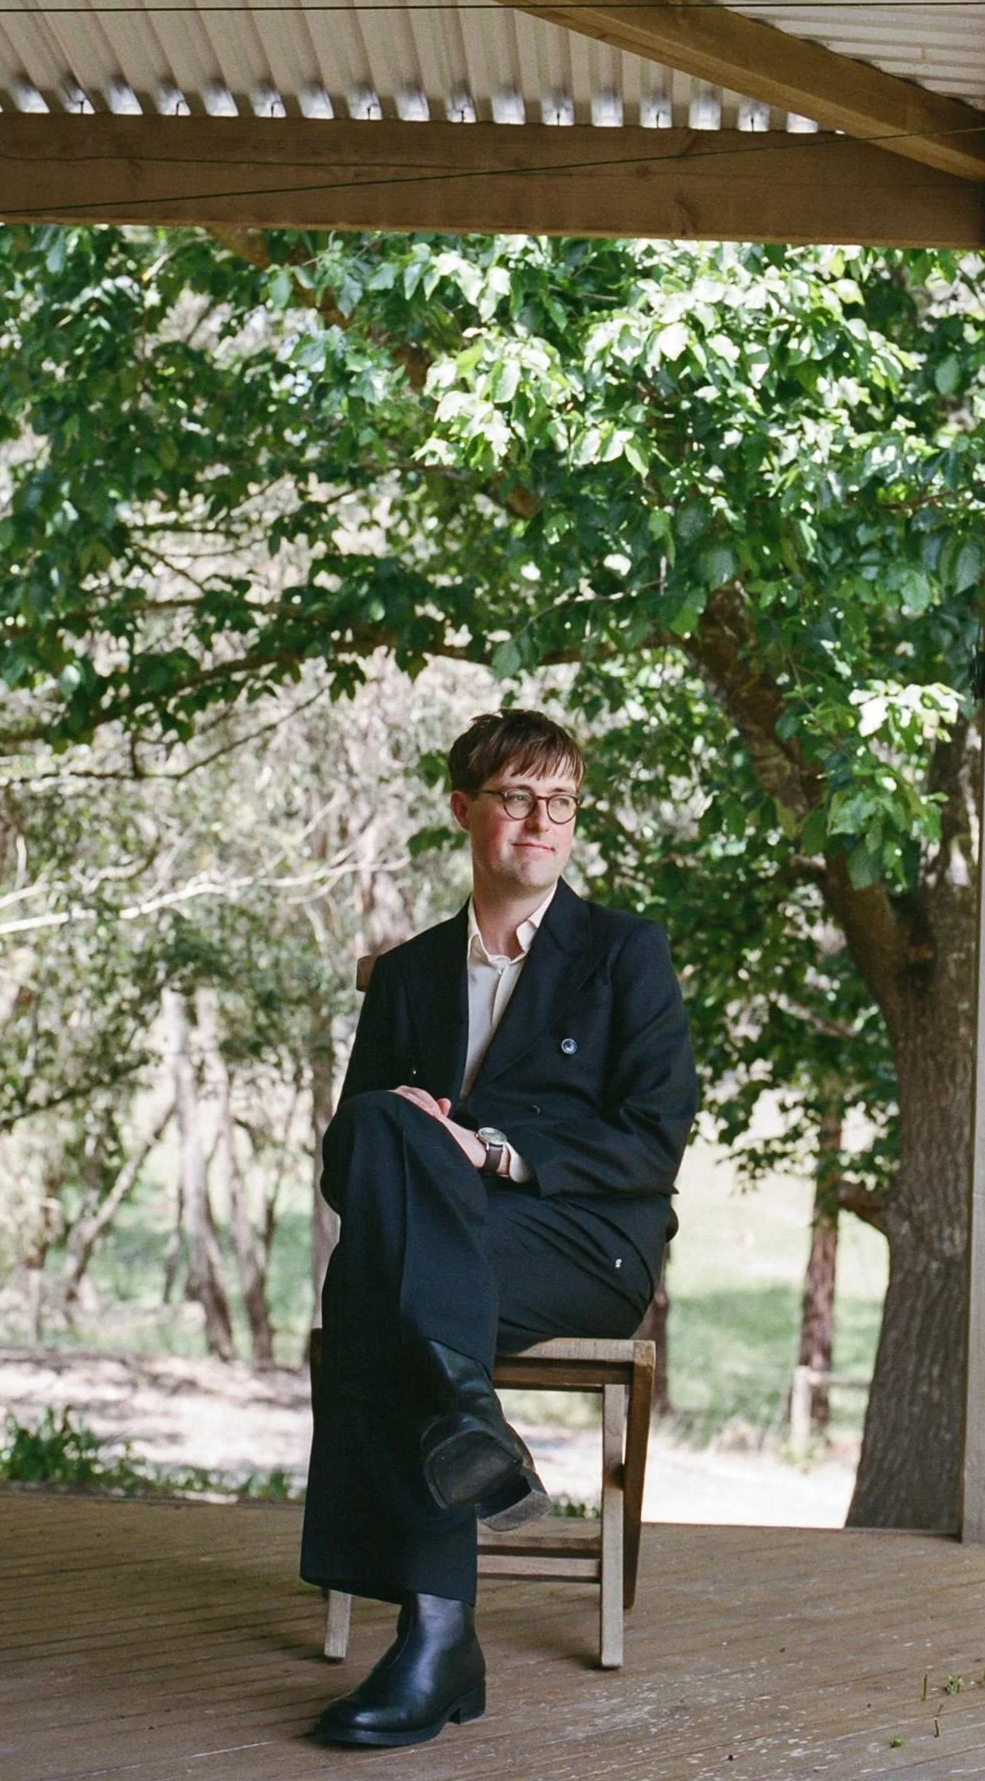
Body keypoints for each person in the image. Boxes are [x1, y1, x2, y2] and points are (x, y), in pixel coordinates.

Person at [301, 708, 697, 1748]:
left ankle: (437, 1631)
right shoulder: (409, 975)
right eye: (516, 797)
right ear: (463, 809)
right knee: (387, 1123)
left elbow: (652, 1141)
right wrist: (417, 1136)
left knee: (375, 1291)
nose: (540, 822)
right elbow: (350, 1163)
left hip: (580, 1242)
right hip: (450, 1246)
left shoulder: (622, 954)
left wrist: (490, 1150)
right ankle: (445, 1573)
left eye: (558, 801)